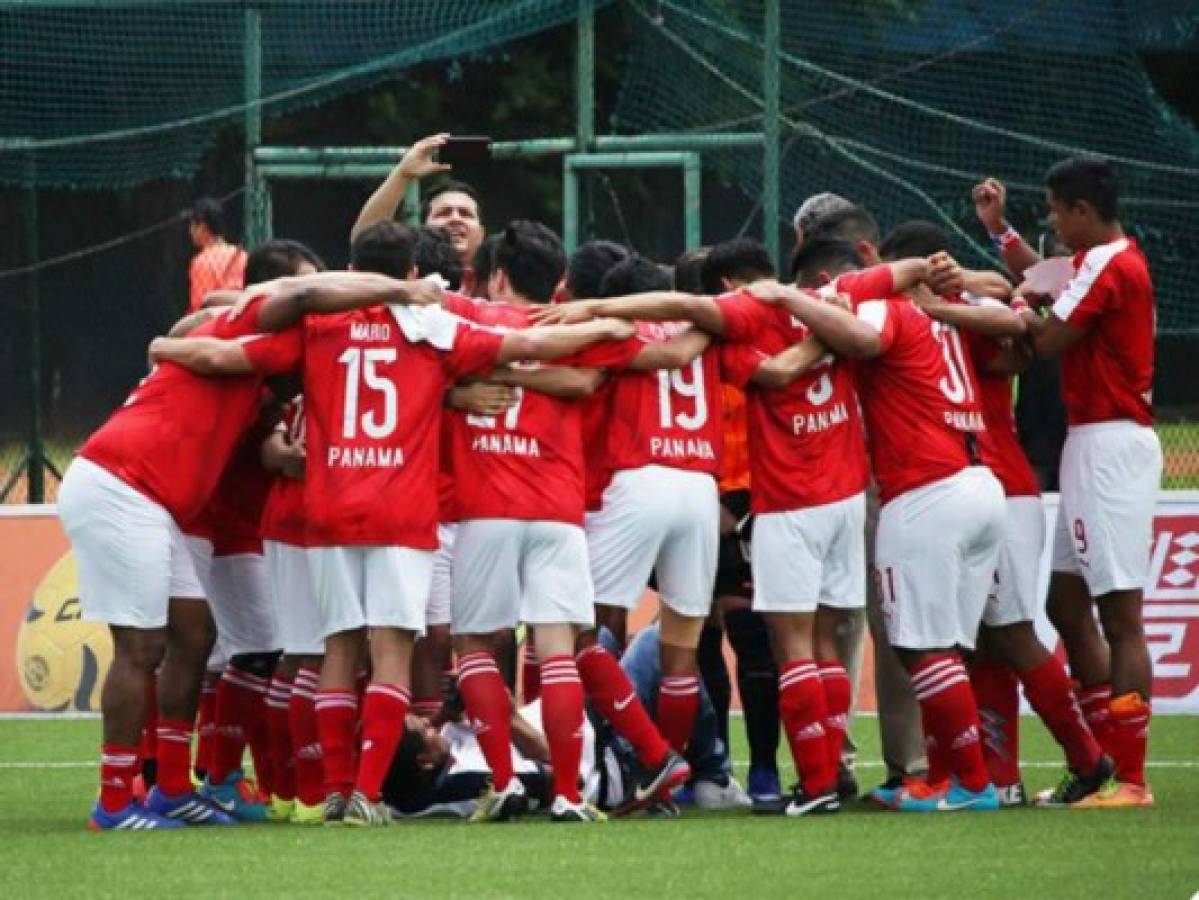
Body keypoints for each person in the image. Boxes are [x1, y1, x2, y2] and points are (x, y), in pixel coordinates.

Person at [152, 222, 637, 826]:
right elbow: (542, 352)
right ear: (412, 274)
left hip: (329, 507)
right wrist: (590, 323)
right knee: (395, 654)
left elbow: (229, 351)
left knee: (334, 651)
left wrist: (167, 348)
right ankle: (373, 794)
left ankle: (332, 791)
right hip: (405, 511)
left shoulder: (319, 326)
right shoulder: (435, 330)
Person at [58, 239, 327, 831]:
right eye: (300, 293)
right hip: (120, 484)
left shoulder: (241, 344)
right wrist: (402, 289)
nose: (308, 307)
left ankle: (174, 788)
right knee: (141, 648)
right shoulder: (234, 334)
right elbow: (287, 315)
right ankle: (113, 803)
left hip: (148, 496)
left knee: (195, 632)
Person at [881, 221, 1113, 808]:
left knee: (1004, 635)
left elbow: (1024, 332)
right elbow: (1017, 319)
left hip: (991, 482)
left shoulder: (947, 311)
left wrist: (970, 295)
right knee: (972, 643)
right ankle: (991, 773)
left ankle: (1084, 759)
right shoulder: (960, 306)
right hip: (992, 484)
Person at [1019, 157, 1161, 808]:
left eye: (1053, 210)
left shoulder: (1107, 264)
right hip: (1090, 443)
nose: (1049, 222)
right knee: (1064, 604)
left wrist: (977, 316)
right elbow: (1043, 280)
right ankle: (1102, 765)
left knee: (1119, 614)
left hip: (1109, 445)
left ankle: (1129, 778)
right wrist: (1000, 238)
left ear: (1079, 212)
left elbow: (1045, 337)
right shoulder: (1099, 262)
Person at [351, 133, 487, 292]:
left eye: (465, 213)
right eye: (443, 213)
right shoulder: (404, 276)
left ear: (482, 233)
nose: (455, 218)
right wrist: (402, 175)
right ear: (424, 227)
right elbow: (366, 242)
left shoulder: (497, 281)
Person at [187, 197, 247, 313]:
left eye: (192, 225)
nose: (190, 231)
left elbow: (199, 306)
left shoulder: (201, 261)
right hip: (241, 316)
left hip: (215, 322)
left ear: (202, 227)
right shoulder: (243, 255)